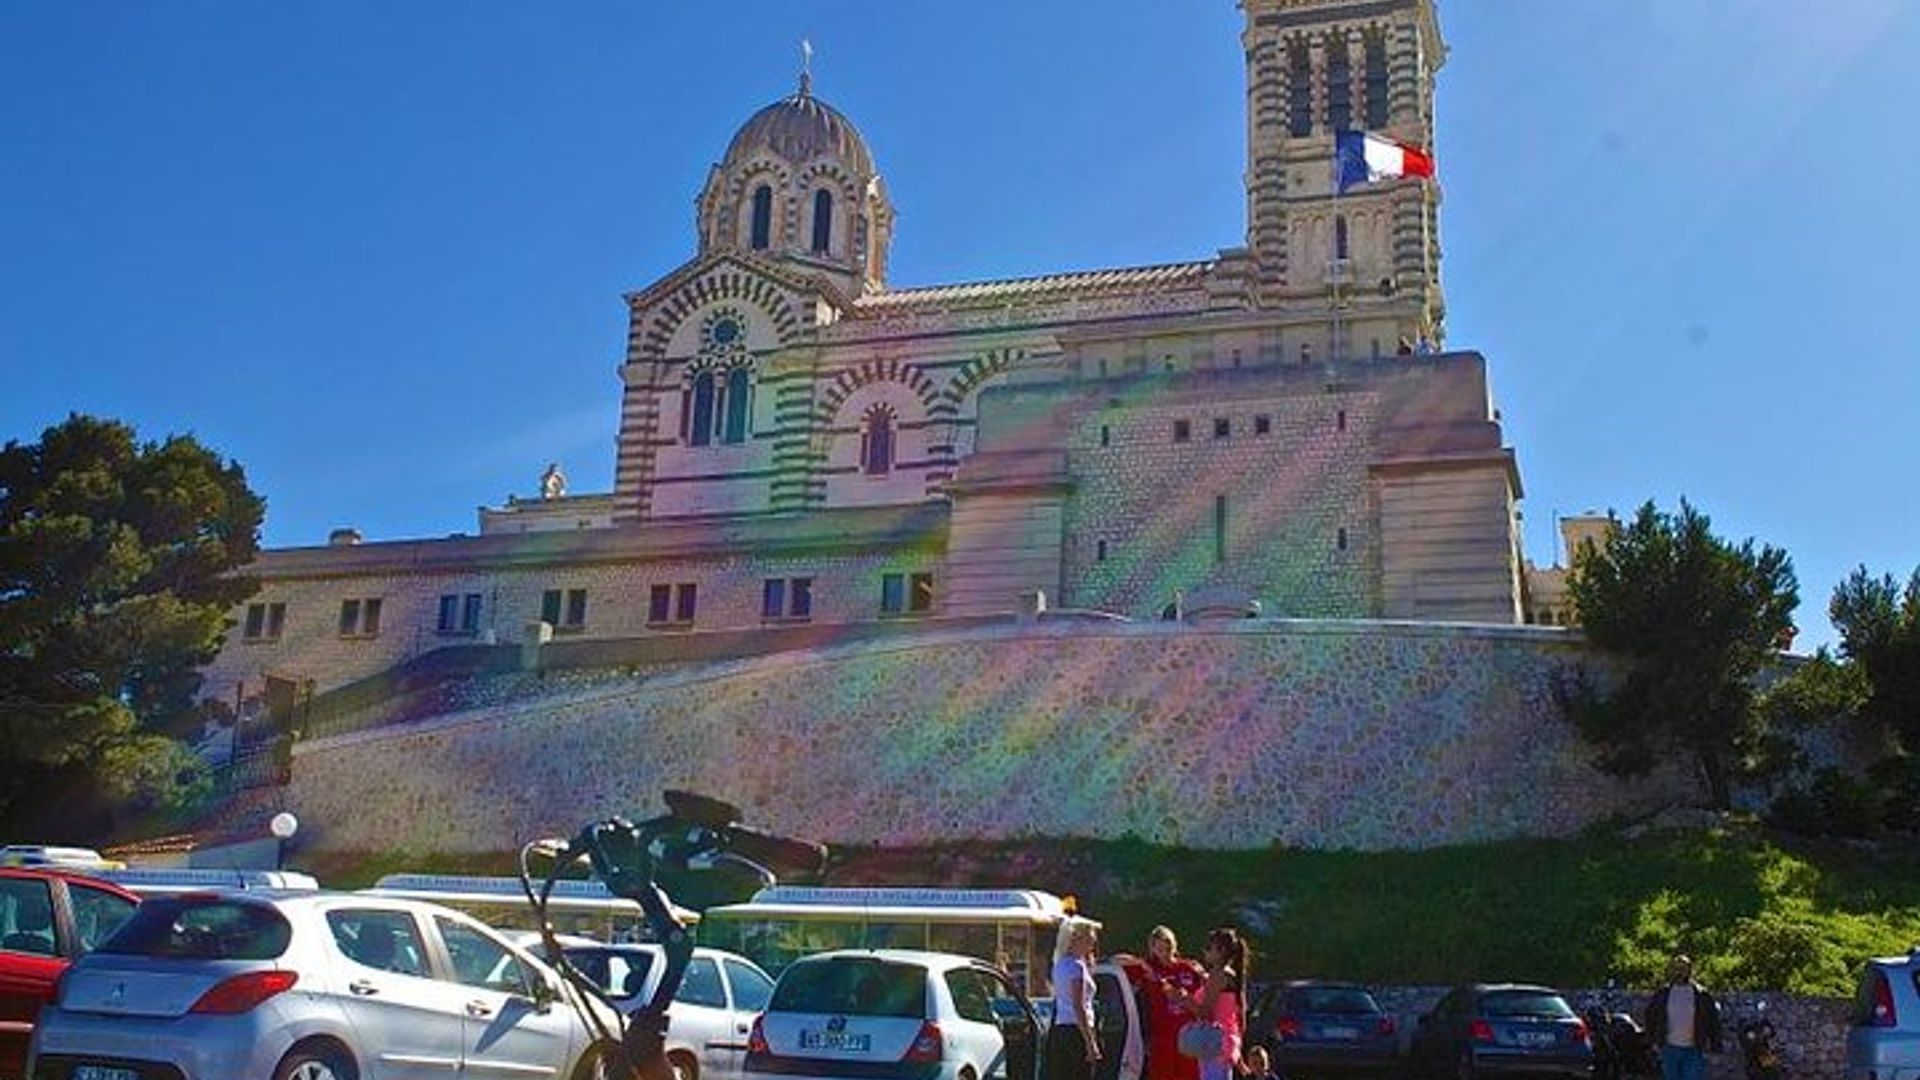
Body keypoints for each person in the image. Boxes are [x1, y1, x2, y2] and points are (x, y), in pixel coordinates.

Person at [1123, 926, 1207, 1080]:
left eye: (1168, 947)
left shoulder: (1188, 967)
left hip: (1188, 1038)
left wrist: (1184, 998)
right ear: (1152, 949)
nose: (1164, 953)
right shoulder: (1148, 969)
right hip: (1161, 1038)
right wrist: (1141, 963)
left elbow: (1204, 1003)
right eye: (1159, 948)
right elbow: (1115, 961)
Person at [1173, 927, 1248, 1080]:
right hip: (1225, 1040)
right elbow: (1239, 1016)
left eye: (1209, 948)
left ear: (1221, 951)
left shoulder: (1218, 975)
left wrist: (1183, 998)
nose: (1204, 951)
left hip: (1214, 1041)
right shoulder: (1230, 975)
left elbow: (1206, 1013)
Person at [1642, 954, 1723, 1080]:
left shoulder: (1701, 994)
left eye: (1683, 968)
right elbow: (1650, 1016)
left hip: (1693, 1049)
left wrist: (1716, 1045)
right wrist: (1652, 1041)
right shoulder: (1663, 993)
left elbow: (1713, 1020)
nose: (1680, 972)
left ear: (1689, 971)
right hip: (1669, 1049)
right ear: (1672, 970)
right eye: (1677, 968)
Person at [1048, 916, 1104, 1080]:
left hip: (1060, 1029)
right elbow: (1078, 1006)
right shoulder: (1076, 967)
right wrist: (1090, 1042)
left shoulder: (1060, 964)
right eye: (1090, 940)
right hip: (1077, 1031)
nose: (1092, 945)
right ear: (1077, 939)